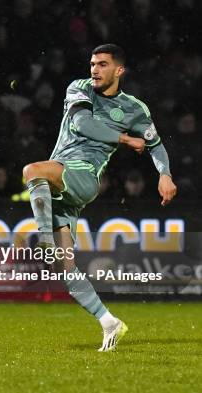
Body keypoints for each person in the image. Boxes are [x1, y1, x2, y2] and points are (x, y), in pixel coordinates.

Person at [22, 44, 177, 352]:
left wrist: (165, 174)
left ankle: (44, 241)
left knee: (32, 170)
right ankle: (109, 321)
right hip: (63, 181)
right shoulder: (79, 88)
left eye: (103, 64)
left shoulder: (134, 109)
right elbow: (82, 123)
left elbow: (155, 145)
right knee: (64, 269)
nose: (94, 69)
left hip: (84, 175)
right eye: (93, 63)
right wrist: (122, 138)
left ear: (119, 70)